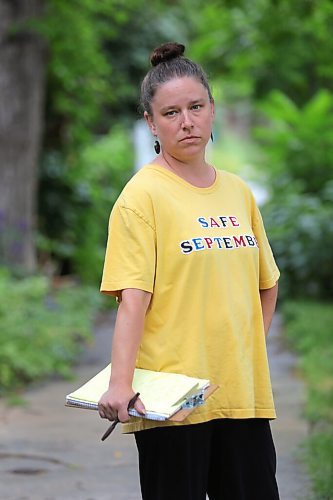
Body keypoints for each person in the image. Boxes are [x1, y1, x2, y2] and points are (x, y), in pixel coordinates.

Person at [98, 42, 280, 500]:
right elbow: (132, 300)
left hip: (241, 395)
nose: (187, 122)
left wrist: (243, 353)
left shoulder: (238, 194)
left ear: (212, 110)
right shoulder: (142, 198)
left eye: (196, 107)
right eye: (171, 112)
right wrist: (121, 385)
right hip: (170, 400)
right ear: (151, 123)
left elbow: (267, 284)